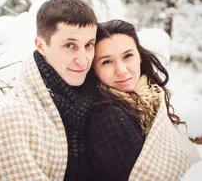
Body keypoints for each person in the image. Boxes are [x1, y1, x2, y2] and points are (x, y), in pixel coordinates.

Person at [0, 0, 98, 180]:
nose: (82, 59)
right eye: (69, 45)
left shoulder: (100, 99)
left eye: (89, 45)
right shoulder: (16, 117)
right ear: (41, 45)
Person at [85, 19, 201, 181]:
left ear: (140, 56)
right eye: (107, 62)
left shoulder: (149, 100)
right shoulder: (108, 117)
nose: (122, 70)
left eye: (128, 56)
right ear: (94, 71)